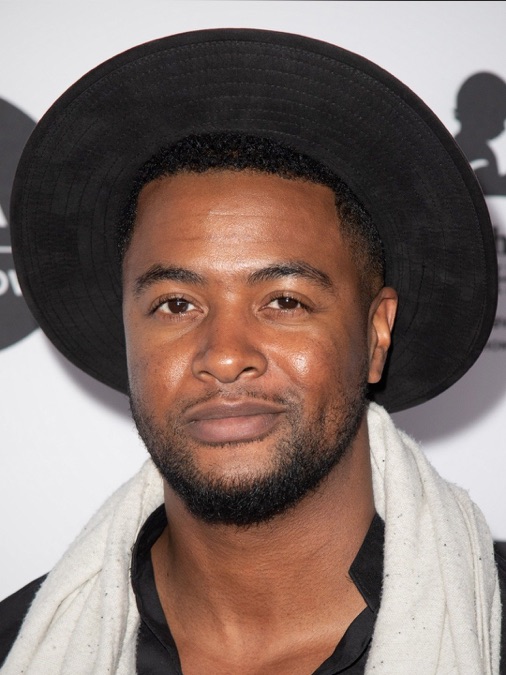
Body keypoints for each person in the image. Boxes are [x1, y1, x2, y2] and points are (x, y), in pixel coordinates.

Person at [0, 27, 504, 675]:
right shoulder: (21, 648)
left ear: (376, 335)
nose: (224, 355)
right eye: (176, 304)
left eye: (284, 301)